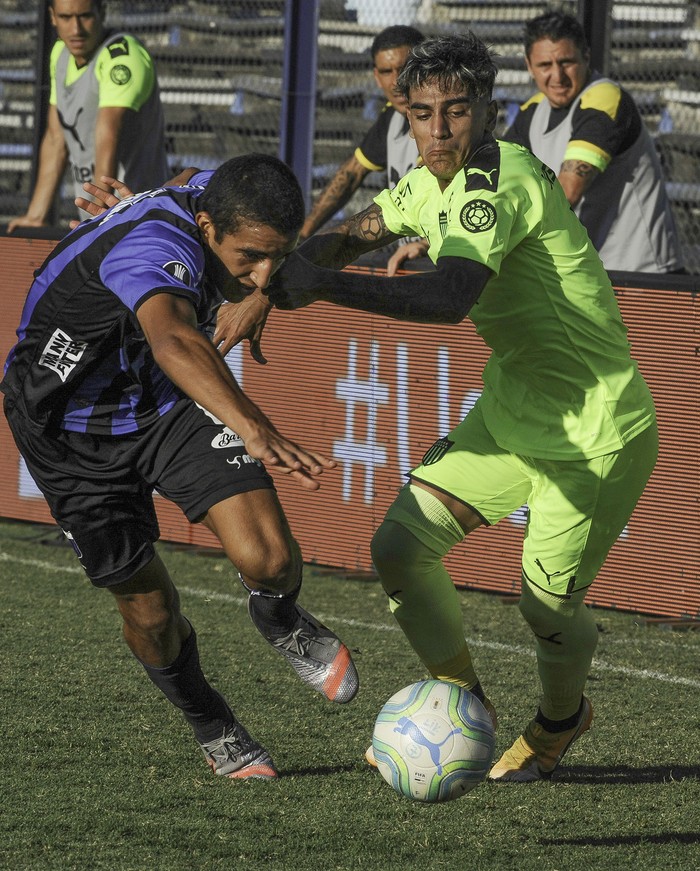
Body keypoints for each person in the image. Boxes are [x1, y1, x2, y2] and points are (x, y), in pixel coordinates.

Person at [233, 33, 658, 781]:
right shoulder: (427, 181)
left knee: (544, 608)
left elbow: (450, 296)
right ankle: (465, 705)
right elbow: (354, 234)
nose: (437, 131)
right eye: (421, 113)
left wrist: (320, 288)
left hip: (595, 430)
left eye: (455, 112)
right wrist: (270, 285)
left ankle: (560, 720)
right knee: (399, 548)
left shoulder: (500, 180)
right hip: (513, 412)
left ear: (486, 111)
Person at [1, 153, 359, 780]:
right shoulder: (153, 249)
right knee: (152, 613)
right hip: (69, 430)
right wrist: (253, 426)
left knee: (271, 559)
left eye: (277, 256)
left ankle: (279, 619)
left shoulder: (216, 193)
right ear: (207, 226)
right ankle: (211, 722)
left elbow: (184, 186)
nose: (264, 275)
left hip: (160, 402)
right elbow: (174, 338)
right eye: (251, 257)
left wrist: (139, 202)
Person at [500, 10, 683, 274]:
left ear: (586, 57)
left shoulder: (604, 98)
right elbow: (497, 180)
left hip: (641, 273)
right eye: (545, 65)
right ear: (529, 66)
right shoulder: (533, 110)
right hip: (588, 272)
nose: (557, 76)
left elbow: (567, 192)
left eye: (566, 62)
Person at [7, 0, 168, 233]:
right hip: (98, 217)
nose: (76, 29)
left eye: (85, 16)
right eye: (65, 17)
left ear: (102, 12)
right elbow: (55, 139)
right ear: (52, 17)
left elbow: (107, 136)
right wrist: (36, 216)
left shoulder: (122, 57)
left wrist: (96, 221)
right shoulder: (60, 54)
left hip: (140, 218)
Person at [299, 24, 424, 244]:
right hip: (407, 253)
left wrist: (423, 245)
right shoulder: (392, 117)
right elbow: (350, 175)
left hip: (440, 252)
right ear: (376, 76)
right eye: (386, 72)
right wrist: (302, 236)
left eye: (404, 69)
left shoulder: (441, 123)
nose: (396, 82)